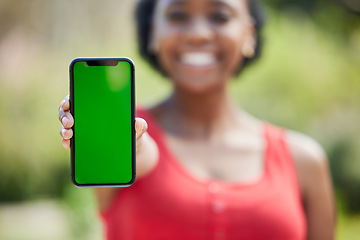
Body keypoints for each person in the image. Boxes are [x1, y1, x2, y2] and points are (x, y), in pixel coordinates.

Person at [58, 0, 336, 239]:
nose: (198, 34)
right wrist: (134, 144)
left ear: (249, 33)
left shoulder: (304, 160)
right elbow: (145, 154)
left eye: (220, 16)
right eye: (177, 15)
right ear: (153, 32)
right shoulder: (126, 132)